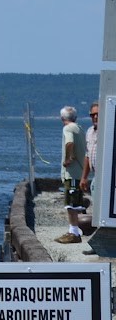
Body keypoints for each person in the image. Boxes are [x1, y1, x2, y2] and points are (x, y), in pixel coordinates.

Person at [60, 103, 100, 243]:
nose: (95, 117)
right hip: (89, 175)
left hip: (73, 173)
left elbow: (69, 143)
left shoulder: (68, 128)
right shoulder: (83, 129)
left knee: (71, 204)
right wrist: (84, 176)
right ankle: (97, 238)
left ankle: (74, 233)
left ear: (62, 118)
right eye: (93, 114)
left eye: (98, 114)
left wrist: (67, 159)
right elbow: (87, 154)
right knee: (93, 206)